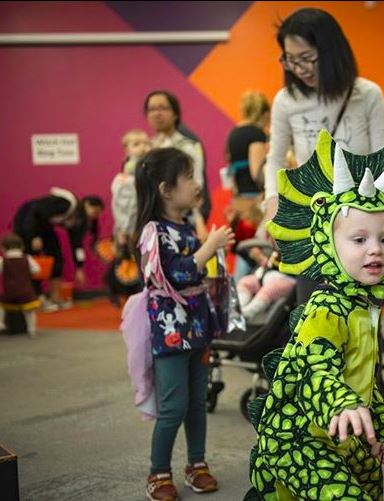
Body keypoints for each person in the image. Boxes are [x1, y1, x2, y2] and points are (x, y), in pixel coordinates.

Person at [245, 130, 384, 500]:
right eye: (359, 239)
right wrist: (343, 402)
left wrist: (383, 431)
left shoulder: (364, 308)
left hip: (345, 431)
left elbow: (366, 384)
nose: (375, 250)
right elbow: (316, 370)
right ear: (329, 245)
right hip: (297, 439)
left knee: (372, 488)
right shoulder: (324, 308)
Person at [262, 7, 384, 306]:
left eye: (307, 58)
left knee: (363, 319)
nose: (299, 68)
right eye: (290, 59)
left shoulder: (367, 95)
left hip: (363, 227)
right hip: (313, 225)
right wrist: (272, 205)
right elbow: (275, 159)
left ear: (331, 52)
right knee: (314, 313)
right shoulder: (286, 100)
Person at [132, 147, 234, 500]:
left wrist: (208, 245)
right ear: (165, 189)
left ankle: (197, 464)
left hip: (197, 327)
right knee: (174, 404)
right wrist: (209, 247)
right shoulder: (154, 232)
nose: (195, 184)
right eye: (188, 177)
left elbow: (197, 271)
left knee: (196, 402)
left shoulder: (185, 226)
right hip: (171, 331)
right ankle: (158, 473)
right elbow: (177, 273)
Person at [12, 189, 104, 310]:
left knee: (56, 257)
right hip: (27, 221)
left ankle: (54, 297)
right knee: (34, 261)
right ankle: (38, 298)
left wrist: (79, 267)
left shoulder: (77, 221)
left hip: (45, 226)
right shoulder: (67, 204)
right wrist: (33, 236)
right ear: (86, 204)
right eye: (95, 211)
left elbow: (77, 244)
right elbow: (35, 210)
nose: (94, 216)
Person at [145, 90, 209, 221]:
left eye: (162, 108)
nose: (157, 113)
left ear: (175, 114)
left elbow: (196, 185)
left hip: (181, 220)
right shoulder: (145, 148)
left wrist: (197, 220)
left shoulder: (187, 146)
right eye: (151, 109)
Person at [108, 129, 151, 303]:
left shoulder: (148, 169)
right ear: (126, 149)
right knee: (134, 264)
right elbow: (122, 206)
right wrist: (123, 229)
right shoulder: (125, 178)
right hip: (132, 228)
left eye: (145, 143)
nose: (142, 147)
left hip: (147, 225)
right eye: (136, 144)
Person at [235, 243, 295, 321]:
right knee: (245, 282)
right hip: (265, 275)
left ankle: (247, 313)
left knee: (270, 288)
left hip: (287, 278)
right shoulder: (274, 249)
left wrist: (264, 259)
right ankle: (238, 308)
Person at [226, 90, 270, 196]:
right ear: (265, 114)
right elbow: (257, 174)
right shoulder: (256, 134)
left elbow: (230, 167)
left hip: (240, 194)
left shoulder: (233, 133)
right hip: (255, 196)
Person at [0, 232, 41, 337]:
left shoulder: (3, 260)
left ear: (3, 248)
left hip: (10, 291)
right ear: (22, 246)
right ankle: (32, 329)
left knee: (1, 306)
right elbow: (37, 270)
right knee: (30, 312)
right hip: (26, 290)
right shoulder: (27, 258)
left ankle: (1, 323)